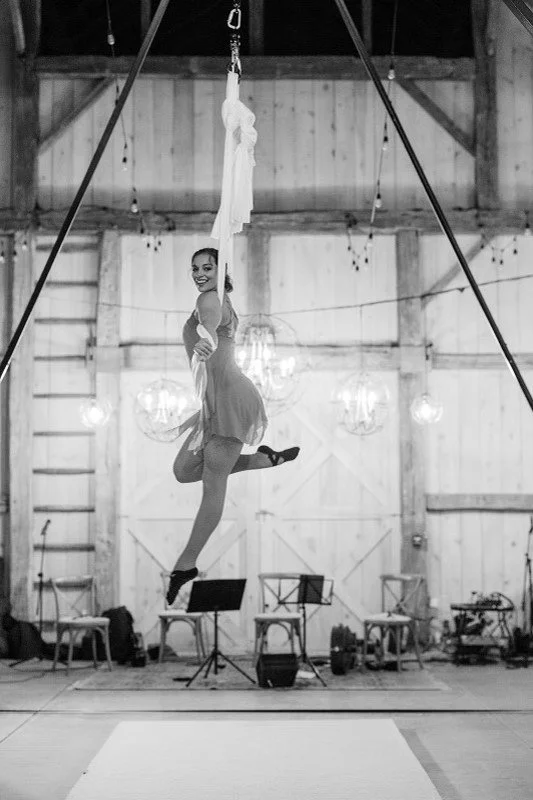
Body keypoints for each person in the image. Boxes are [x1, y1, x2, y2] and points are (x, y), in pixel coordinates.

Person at [166, 247, 300, 605]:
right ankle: (261, 460)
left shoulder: (209, 299)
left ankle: (186, 564)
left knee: (213, 484)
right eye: (195, 268)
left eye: (207, 268)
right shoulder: (217, 300)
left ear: (220, 270)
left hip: (230, 401)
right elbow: (210, 329)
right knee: (183, 471)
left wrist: (205, 342)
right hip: (214, 401)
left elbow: (209, 329)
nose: (199, 273)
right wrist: (206, 342)